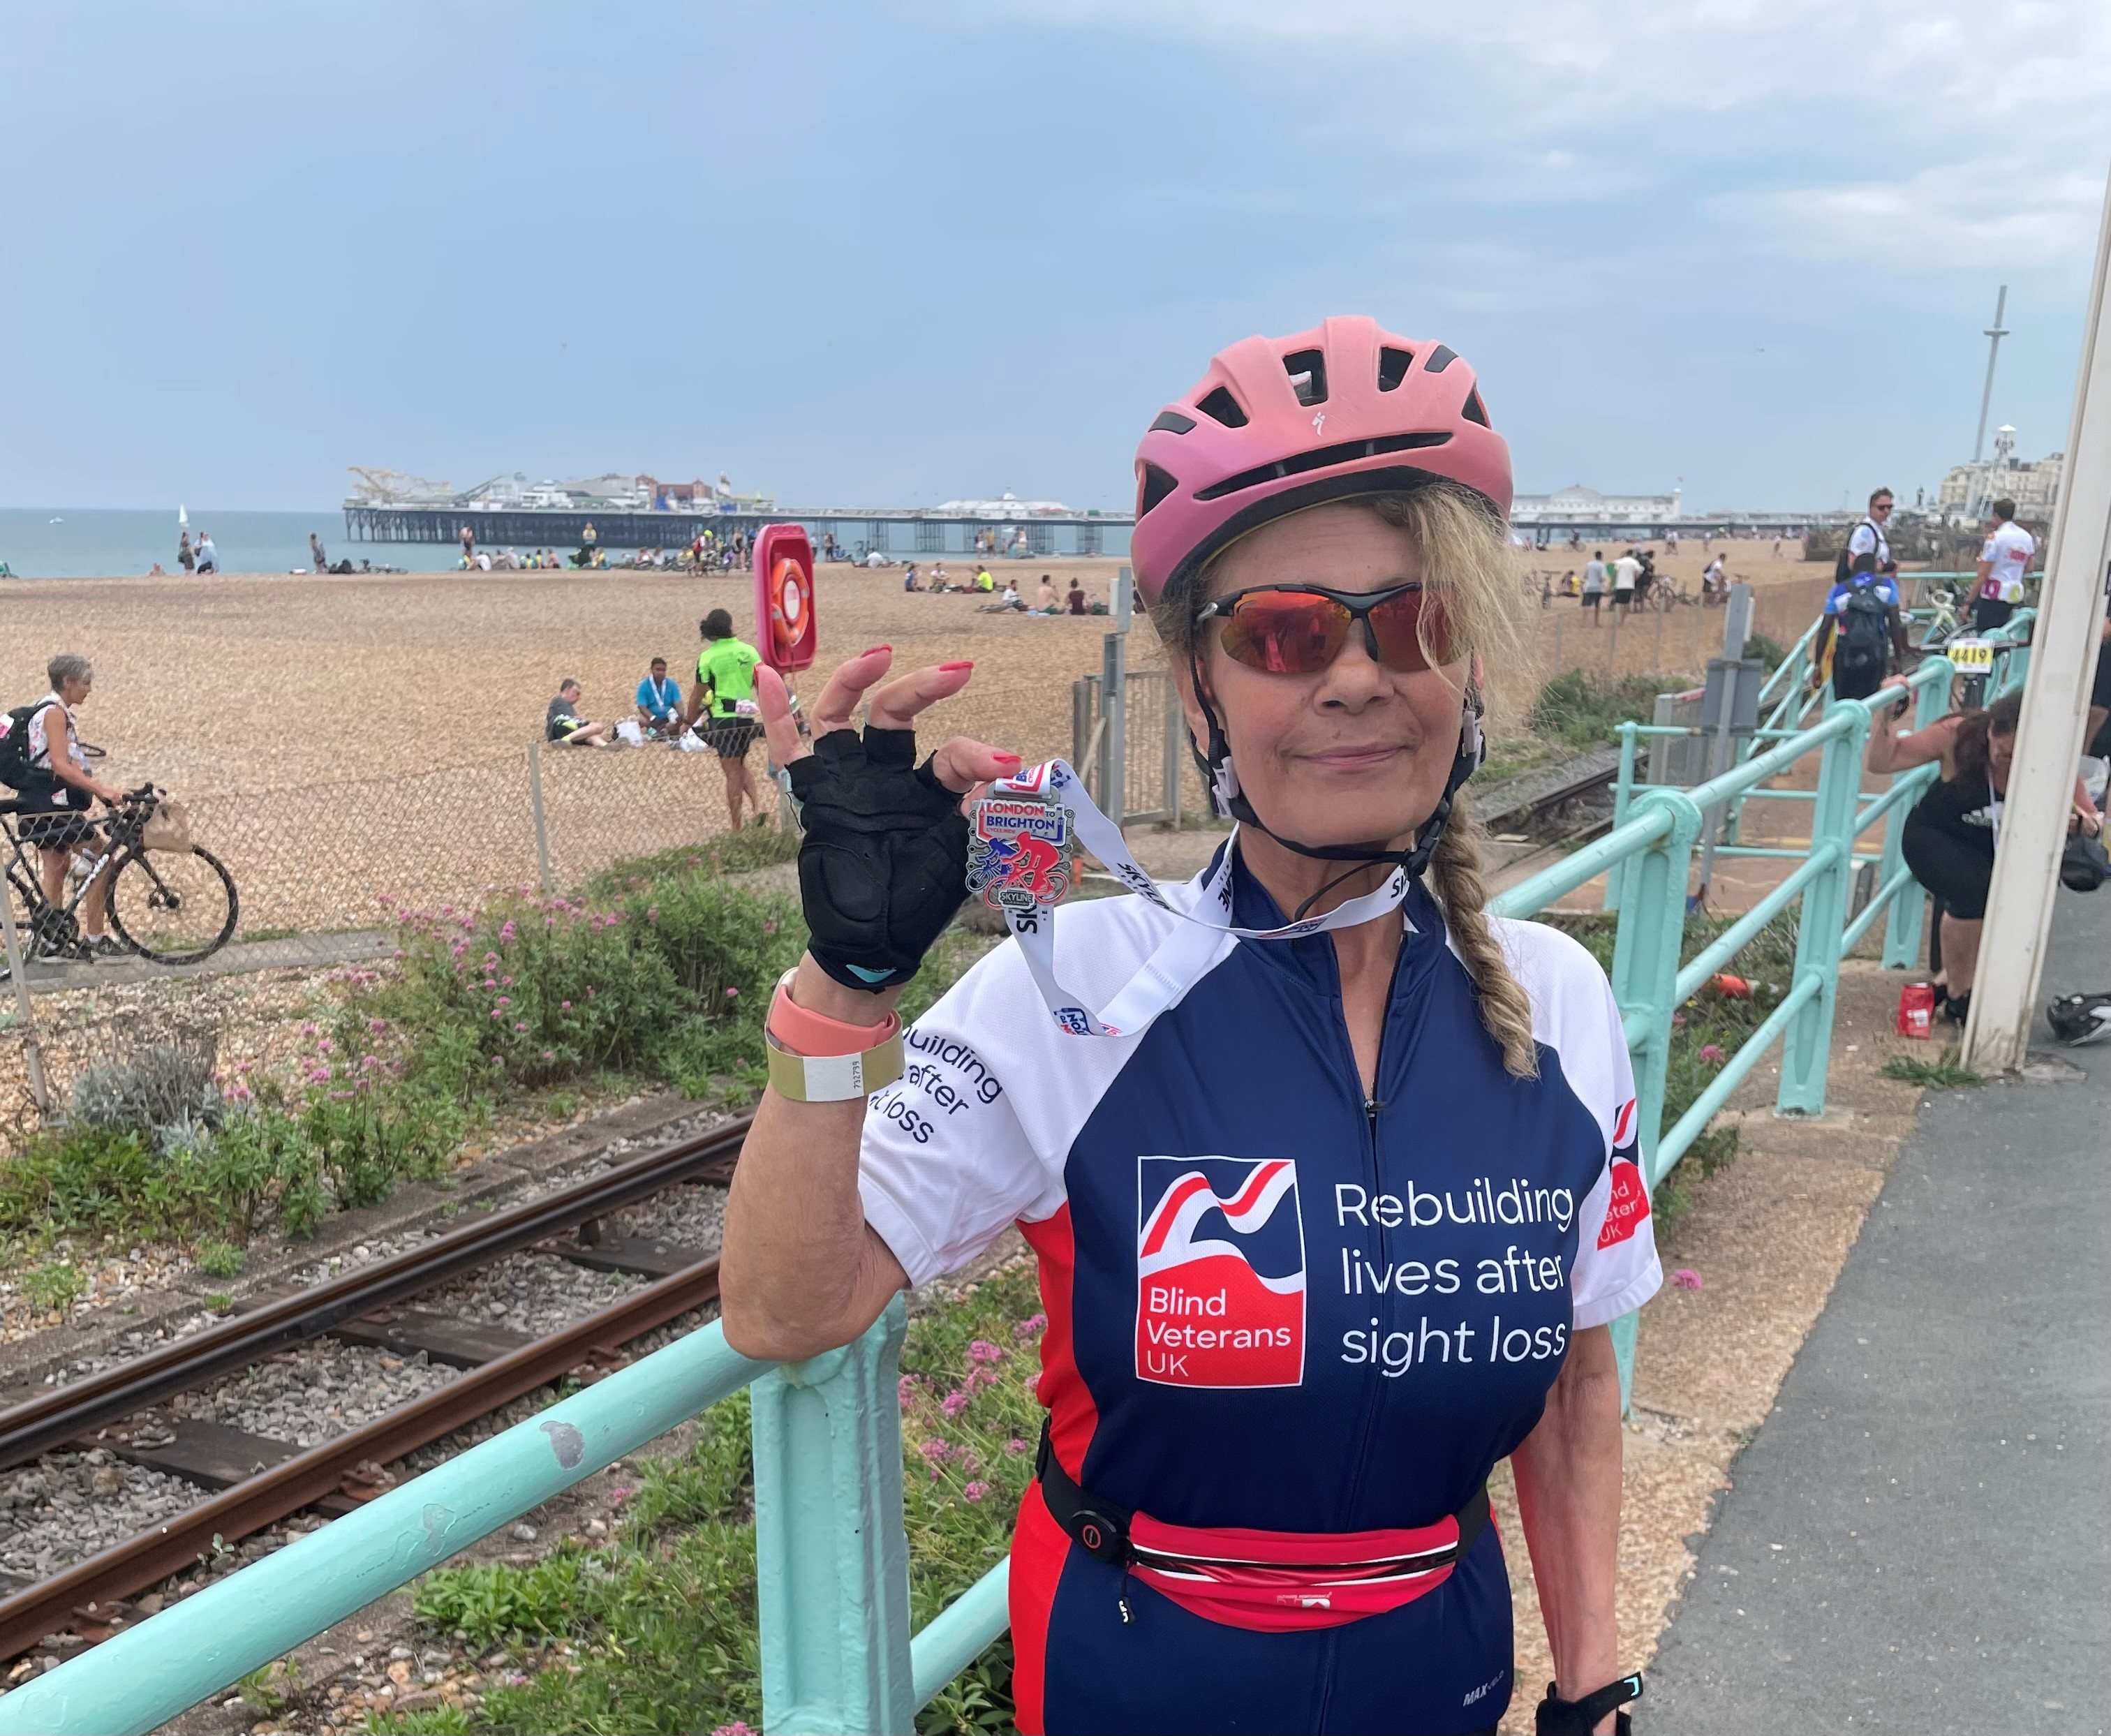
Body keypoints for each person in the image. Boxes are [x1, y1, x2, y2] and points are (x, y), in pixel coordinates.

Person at [721, 316, 1657, 1736]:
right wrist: (849, 978)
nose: (1355, 675)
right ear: (1201, 684)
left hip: (1437, 1665)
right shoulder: (1074, 988)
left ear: (1467, 665)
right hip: (1134, 1671)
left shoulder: (1554, 1001)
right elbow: (790, 1309)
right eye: (1284, 631)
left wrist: (1591, 1689)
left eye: (1415, 621)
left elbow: (1577, 1384)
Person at [1869, 683, 2100, 1021]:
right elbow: (1881, 762)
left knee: (2007, 902)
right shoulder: (1957, 736)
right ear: (1991, 730)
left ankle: (1946, 985)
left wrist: (2079, 825)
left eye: (2012, 757)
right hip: (1935, 834)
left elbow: (2092, 820)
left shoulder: (2053, 758)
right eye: (1999, 749)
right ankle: (1962, 997)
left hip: (1992, 846)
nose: (2000, 759)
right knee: (1971, 892)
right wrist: (1884, 714)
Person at [15, 655, 126, 956]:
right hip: (51, 805)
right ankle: (95, 939)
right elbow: (62, 767)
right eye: (86, 683)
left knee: (55, 864)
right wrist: (101, 789)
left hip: (35, 803)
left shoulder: (47, 707)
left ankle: (52, 940)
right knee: (102, 856)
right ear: (68, 682)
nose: (89, 690)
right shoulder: (54, 713)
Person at [688, 609, 766, 827]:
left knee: (731, 771)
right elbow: (760, 682)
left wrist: (688, 720)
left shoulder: (708, 657)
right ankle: (757, 807)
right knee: (740, 763)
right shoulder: (750, 651)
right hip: (746, 716)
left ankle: (736, 828)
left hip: (723, 718)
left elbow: (698, 691)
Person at [1811, 549, 1909, 701]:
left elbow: (1825, 628)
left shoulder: (1838, 591)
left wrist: (1818, 664)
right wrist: (1898, 658)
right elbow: (1895, 623)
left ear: (1854, 569)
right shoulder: (1888, 585)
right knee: (1872, 702)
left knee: (1843, 703)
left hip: (1845, 655)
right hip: (1876, 653)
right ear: (1875, 568)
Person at [1971, 498, 2034, 635]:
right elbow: (2029, 568)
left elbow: (1983, 573)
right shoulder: (2027, 538)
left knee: (1986, 637)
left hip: (1994, 594)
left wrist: (1969, 601)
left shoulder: (1996, 537)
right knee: (2004, 636)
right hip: (2014, 594)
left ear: (1996, 515)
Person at [546, 680, 614, 747]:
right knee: (598, 726)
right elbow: (573, 719)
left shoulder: (561, 705)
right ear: (567, 690)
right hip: (558, 724)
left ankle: (607, 746)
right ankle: (565, 740)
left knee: (592, 737)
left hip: (556, 735)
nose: (579, 698)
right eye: (577, 693)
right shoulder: (560, 700)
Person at [636, 657, 685, 738]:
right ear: (651, 670)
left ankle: (659, 732)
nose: (661, 673)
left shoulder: (672, 685)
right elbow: (642, 707)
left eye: (663, 670)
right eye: (658, 670)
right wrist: (653, 718)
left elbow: (678, 703)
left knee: (680, 722)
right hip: (652, 719)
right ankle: (663, 732)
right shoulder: (644, 685)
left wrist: (680, 716)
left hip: (669, 719)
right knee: (642, 721)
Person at [1611, 549, 1639, 614]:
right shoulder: (1635, 562)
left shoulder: (1620, 562)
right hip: (1629, 585)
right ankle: (1622, 621)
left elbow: (1615, 573)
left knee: (1619, 603)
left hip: (1620, 585)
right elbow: (1637, 574)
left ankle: (1617, 617)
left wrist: (1612, 583)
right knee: (1626, 603)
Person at [1580, 552, 1604, 623]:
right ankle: (1596, 622)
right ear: (1601, 557)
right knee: (1597, 605)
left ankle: (1584, 621)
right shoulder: (1601, 565)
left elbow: (1585, 576)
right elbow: (1602, 578)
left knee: (1586, 605)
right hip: (1597, 587)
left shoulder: (1589, 564)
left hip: (1588, 587)